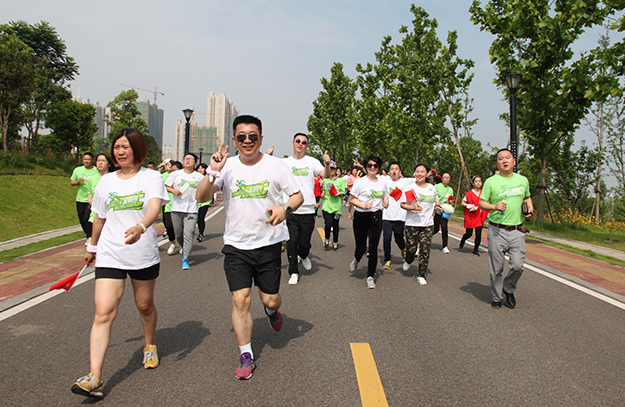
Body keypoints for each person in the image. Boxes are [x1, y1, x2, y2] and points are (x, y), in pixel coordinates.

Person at [196, 115, 303, 380]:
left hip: (268, 244)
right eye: (241, 137)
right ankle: (246, 355)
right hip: (236, 246)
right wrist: (212, 172)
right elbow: (201, 197)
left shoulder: (276, 166)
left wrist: (285, 209)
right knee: (240, 299)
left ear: (260, 139)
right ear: (234, 140)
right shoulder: (226, 167)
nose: (247, 141)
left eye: (252, 136)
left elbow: (297, 196)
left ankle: (271, 310)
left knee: (270, 298)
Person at [71, 129, 168, 398]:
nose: (120, 151)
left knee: (144, 305)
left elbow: (154, 209)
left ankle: (149, 345)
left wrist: (140, 227)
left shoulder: (151, 177)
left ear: (137, 148)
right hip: (110, 253)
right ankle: (95, 377)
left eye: (125, 146)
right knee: (103, 312)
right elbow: (99, 218)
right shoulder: (106, 181)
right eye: (116, 147)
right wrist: (92, 247)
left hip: (142, 253)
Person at [479, 148, 533, 309]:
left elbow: (527, 197)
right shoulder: (490, 182)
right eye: (500, 158)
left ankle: (508, 289)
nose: (504, 161)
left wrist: (529, 211)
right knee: (497, 268)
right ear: (497, 163)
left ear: (514, 162)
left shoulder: (523, 180)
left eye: (507, 158)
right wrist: (494, 206)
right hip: (497, 230)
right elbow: (482, 202)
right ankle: (496, 296)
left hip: (517, 230)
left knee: (518, 265)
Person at [273, 133, 330, 285]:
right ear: (293, 143)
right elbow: (269, 172)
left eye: (304, 142)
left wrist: (327, 164)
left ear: (306, 146)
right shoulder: (284, 162)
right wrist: (268, 156)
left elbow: (326, 175)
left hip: (308, 209)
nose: (300, 144)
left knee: (304, 243)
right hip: (290, 208)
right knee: (292, 242)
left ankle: (304, 255)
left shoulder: (312, 162)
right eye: (298, 141)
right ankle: (293, 272)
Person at [348, 155, 389, 289]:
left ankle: (371, 275)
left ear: (378, 167)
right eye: (369, 165)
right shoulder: (360, 182)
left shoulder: (382, 182)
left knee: (373, 247)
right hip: (361, 216)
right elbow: (351, 199)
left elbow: (385, 196)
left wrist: (386, 202)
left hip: (376, 217)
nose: (372, 168)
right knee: (361, 247)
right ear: (365, 167)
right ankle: (357, 259)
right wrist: (363, 206)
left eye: (375, 165)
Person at [400, 164, 441, 285]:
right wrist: (413, 207)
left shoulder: (432, 188)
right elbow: (403, 204)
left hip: (427, 224)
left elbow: (436, 202)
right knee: (411, 249)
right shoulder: (410, 188)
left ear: (427, 174)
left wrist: (439, 207)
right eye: (417, 171)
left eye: (422, 172)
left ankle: (421, 274)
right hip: (412, 223)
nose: (419, 174)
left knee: (425, 249)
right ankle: (408, 259)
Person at [165, 153, 204, 270]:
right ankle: (183, 247)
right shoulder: (176, 174)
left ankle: (185, 258)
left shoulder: (199, 177)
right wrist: (173, 191)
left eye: (190, 159)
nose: (187, 160)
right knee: (178, 234)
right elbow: (166, 186)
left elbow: (205, 189)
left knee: (189, 234)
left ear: (195, 162)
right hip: (177, 209)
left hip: (192, 210)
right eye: (186, 158)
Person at [382, 162, 408, 269]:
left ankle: (403, 248)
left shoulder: (405, 182)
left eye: (396, 169)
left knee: (398, 238)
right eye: (392, 169)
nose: (394, 171)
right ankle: (387, 260)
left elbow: (419, 179)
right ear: (388, 172)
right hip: (387, 216)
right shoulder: (385, 181)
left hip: (400, 216)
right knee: (386, 239)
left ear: (400, 172)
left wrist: (428, 174)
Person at [70, 152, 98, 243]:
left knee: (88, 218)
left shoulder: (96, 170)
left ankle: (90, 236)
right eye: (85, 159)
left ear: (92, 160)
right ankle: (89, 235)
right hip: (80, 198)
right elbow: (72, 182)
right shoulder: (77, 170)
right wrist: (77, 182)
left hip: (92, 199)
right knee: (82, 219)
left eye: (88, 159)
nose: (86, 161)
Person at [459, 176, 489, 257]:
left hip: (479, 217)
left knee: (478, 234)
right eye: (476, 181)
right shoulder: (469, 194)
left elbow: (487, 203)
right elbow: (463, 202)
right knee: (469, 233)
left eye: (479, 181)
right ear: (473, 183)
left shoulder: (484, 194)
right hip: (471, 216)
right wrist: (469, 205)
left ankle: (475, 250)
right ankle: (463, 240)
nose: (478, 183)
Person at [321, 161, 347, 250]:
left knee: (335, 225)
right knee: (328, 224)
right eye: (330, 169)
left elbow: (343, 192)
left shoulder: (341, 180)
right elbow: (323, 190)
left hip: (336, 207)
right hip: (326, 206)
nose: (331, 170)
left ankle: (335, 241)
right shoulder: (325, 180)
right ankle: (327, 238)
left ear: (336, 170)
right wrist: (322, 194)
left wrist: (337, 193)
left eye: (333, 169)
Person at [86, 153, 116, 224]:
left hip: (110, 215)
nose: (100, 163)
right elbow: (90, 193)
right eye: (98, 161)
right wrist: (90, 199)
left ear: (109, 164)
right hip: (95, 214)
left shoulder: (114, 178)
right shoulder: (92, 179)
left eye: (103, 161)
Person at [433, 172, 454, 254]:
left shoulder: (450, 189)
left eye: (448, 177)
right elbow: (433, 197)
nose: (446, 179)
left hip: (445, 211)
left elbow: (451, 199)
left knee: (445, 228)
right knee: (436, 228)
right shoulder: (437, 187)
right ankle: (424, 239)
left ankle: (445, 246)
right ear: (442, 178)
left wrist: (451, 204)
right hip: (438, 209)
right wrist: (436, 206)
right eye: (445, 177)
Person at [162, 161, 181, 255]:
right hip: (168, 205)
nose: (173, 172)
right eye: (172, 170)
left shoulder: (183, 178)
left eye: (175, 170)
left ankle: (182, 244)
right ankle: (172, 243)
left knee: (179, 228)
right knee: (168, 226)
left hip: (180, 206)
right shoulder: (165, 177)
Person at [196, 163, 212, 242]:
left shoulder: (208, 177)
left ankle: (201, 234)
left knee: (201, 217)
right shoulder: (194, 177)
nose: (200, 170)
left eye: (202, 168)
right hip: (196, 201)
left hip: (205, 201)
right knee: (196, 219)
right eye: (199, 168)